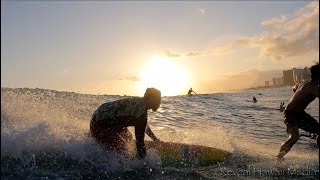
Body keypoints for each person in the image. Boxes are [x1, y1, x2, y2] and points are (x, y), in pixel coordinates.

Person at [90, 87, 162, 159]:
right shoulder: (141, 113)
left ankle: (94, 140)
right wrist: (145, 162)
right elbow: (140, 141)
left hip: (98, 117)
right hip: (99, 126)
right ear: (150, 98)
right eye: (158, 99)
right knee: (123, 151)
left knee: (128, 137)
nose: (159, 102)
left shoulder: (139, 103)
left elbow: (143, 126)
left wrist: (154, 139)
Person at [276, 64, 319, 162]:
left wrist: (298, 95)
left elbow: (294, 87)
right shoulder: (313, 87)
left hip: (300, 114)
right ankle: (278, 158)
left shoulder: (304, 83)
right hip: (290, 114)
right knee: (294, 137)